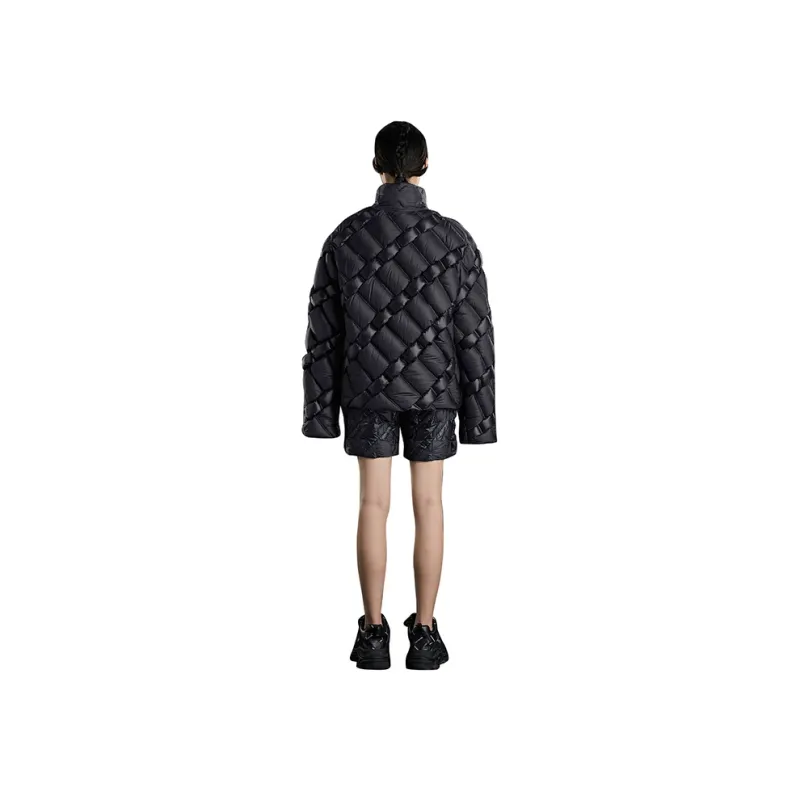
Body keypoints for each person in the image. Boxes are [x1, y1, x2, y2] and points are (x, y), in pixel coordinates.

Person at [301, 121, 496, 670]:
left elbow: (323, 336)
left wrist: (320, 415)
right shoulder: (454, 239)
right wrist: (480, 419)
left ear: (376, 166)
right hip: (436, 391)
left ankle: (372, 633)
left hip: (367, 390)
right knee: (429, 504)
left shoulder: (345, 237)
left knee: (372, 504)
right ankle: (426, 634)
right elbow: (475, 333)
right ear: (426, 166)